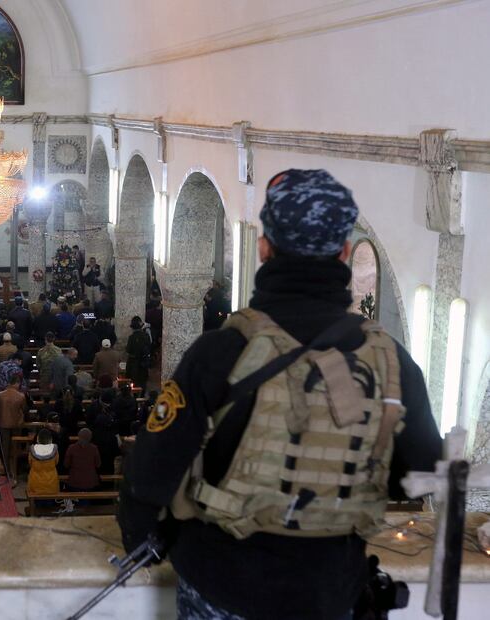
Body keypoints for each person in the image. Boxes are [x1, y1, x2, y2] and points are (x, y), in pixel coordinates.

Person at [117, 169, 443, 620]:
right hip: (331, 588)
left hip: (224, 584)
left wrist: (142, 544)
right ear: (344, 253)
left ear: (264, 247)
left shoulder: (221, 350)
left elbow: (150, 471)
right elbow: (422, 469)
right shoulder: (391, 360)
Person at [0, 374, 27, 467]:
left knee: (5, 447)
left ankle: (5, 467)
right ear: (17, 383)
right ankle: (15, 467)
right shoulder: (21, 396)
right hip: (16, 423)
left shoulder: (0, 395)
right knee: (15, 447)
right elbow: (24, 409)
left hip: (3, 423)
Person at [27, 428, 60, 497]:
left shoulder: (33, 450)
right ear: (50, 439)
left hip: (35, 481)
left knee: (36, 504)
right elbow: (56, 462)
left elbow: (30, 463)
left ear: (38, 438)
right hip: (51, 481)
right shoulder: (54, 450)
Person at [125, 316, 152, 395]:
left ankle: (135, 396)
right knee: (143, 381)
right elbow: (149, 346)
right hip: (143, 362)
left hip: (134, 363)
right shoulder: (146, 336)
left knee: (134, 381)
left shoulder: (131, 338)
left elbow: (128, 350)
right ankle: (142, 395)